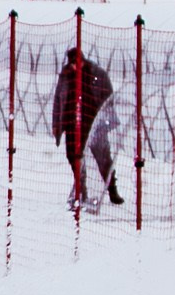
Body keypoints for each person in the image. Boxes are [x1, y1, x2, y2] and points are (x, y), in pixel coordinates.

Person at [51, 46, 122, 209]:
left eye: (77, 63)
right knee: (73, 157)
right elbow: (58, 99)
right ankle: (81, 190)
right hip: (71, 123)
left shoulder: (97, 74)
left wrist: (104, 119)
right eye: (72, 64)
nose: (74, 67)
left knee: (102, 157)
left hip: (93, 122)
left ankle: (112, 190)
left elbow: (108, 98)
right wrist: (57, 124)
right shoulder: (66, 75)